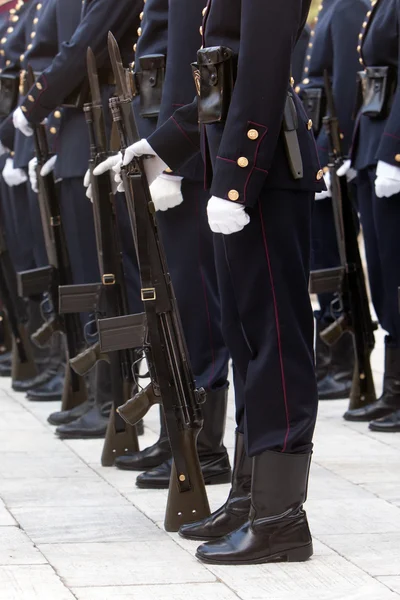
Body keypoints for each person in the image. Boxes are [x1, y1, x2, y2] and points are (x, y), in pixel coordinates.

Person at [114, 0, 325, 565]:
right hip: (236, 158)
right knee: (244, 341)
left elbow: (260, 66)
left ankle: (282, 518)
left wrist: (233, 182)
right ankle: (252, 495)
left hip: (261, 166)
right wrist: (164, 143)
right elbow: (219, 74)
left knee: (273, 344)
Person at [345, 0, 400, 433]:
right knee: (381, 273)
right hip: (372, 148)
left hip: (390, 151)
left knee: (396, 271)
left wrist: (395, 153)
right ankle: (394, 389)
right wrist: (356, 151)